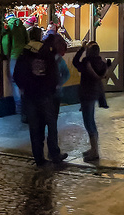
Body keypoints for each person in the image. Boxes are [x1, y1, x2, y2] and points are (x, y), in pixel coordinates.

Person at [11, 26, 64, 163]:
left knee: (35, 127)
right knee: (51, 125)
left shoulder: (24, 52)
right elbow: (53, 72)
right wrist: (52, 88)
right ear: (40, 36)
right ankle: (54, 153)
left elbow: (17, 73)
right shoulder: (47, 51)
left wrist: (23, 87)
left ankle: (39, 157)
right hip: (45, 94)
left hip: (29, 95)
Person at [72, 40, 111, 163]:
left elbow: (74, 62)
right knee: (91, 121)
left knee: (88, 123)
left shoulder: (86, 62)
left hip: (86, 94)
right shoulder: (101, 63)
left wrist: (81, 49)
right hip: (95, 94)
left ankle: (94, 151)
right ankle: (93, 149)